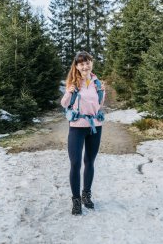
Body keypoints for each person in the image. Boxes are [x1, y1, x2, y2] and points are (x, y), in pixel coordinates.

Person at [60, 51, 106, 215]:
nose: (85, 66)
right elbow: (64, 104)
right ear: (77, 66)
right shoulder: (73, 83)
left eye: (87, 63)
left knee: (90, 162)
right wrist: (69, 92)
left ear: (91, 63)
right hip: (77, 127)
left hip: (95, 126)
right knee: (75, 163)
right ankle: (76, 200)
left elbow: (99, 104)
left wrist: (103, 91)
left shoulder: (97, 83)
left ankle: (86, 195)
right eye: (81, 64)